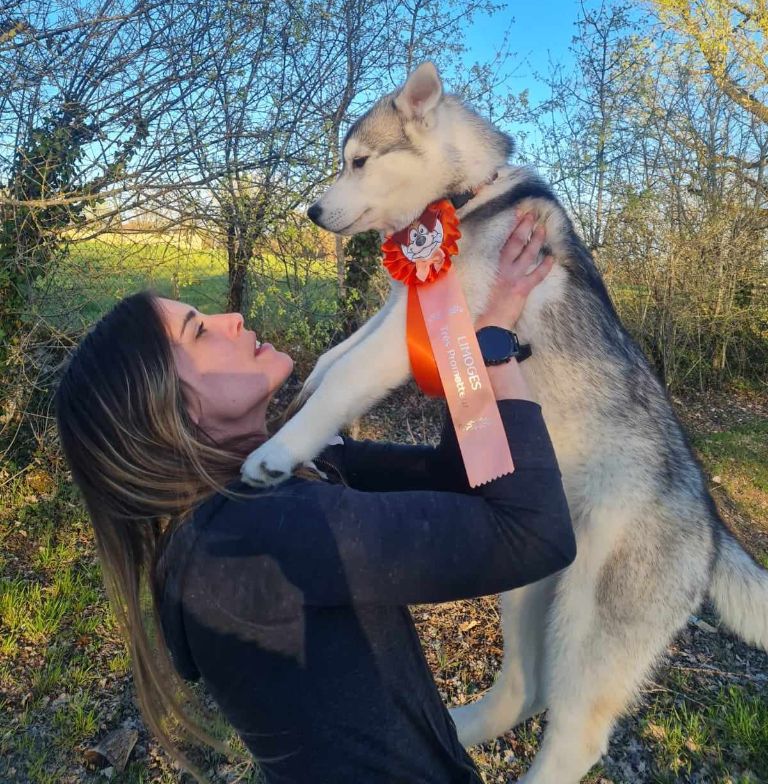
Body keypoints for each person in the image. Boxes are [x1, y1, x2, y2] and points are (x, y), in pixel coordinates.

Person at [56, 214, 575, 784]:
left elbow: (461, 476)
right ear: (170, 413)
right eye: (199, 332)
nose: (231, 319)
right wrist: (495, 342)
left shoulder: (273, 481)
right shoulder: (251, 536)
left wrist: (469, 334)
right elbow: (533, 533)